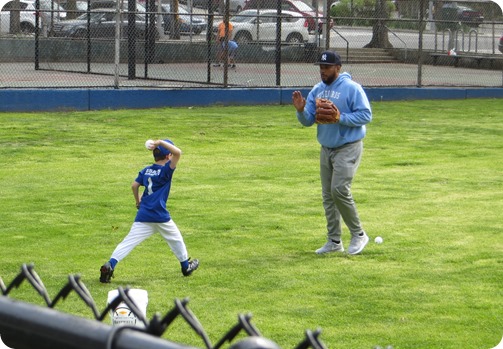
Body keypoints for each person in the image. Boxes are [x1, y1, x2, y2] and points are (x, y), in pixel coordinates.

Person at [292, 50, 372, 255]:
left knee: (339, 190)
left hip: (348, 146)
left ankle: (359, 235)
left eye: (327, 67)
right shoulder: (317, 90)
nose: (323, 71)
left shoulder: (352, 88)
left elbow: (365, 115)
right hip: (326, 147)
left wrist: (340, 118)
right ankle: (334, 241)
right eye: (321, 67)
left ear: (338, 68)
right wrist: (301, 111)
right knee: (328, 196)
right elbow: (308, 121)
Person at [100, 139, 199, 282]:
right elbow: (178, 152)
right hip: (160, 216)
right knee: (176, 239)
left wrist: (137, 201)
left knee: (128, 242)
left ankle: (110, 264)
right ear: (168, 156)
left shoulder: (146, 170)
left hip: (144, 215)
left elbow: (134, 186)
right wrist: (159, 142)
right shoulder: (166, 171)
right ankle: (186, 267)